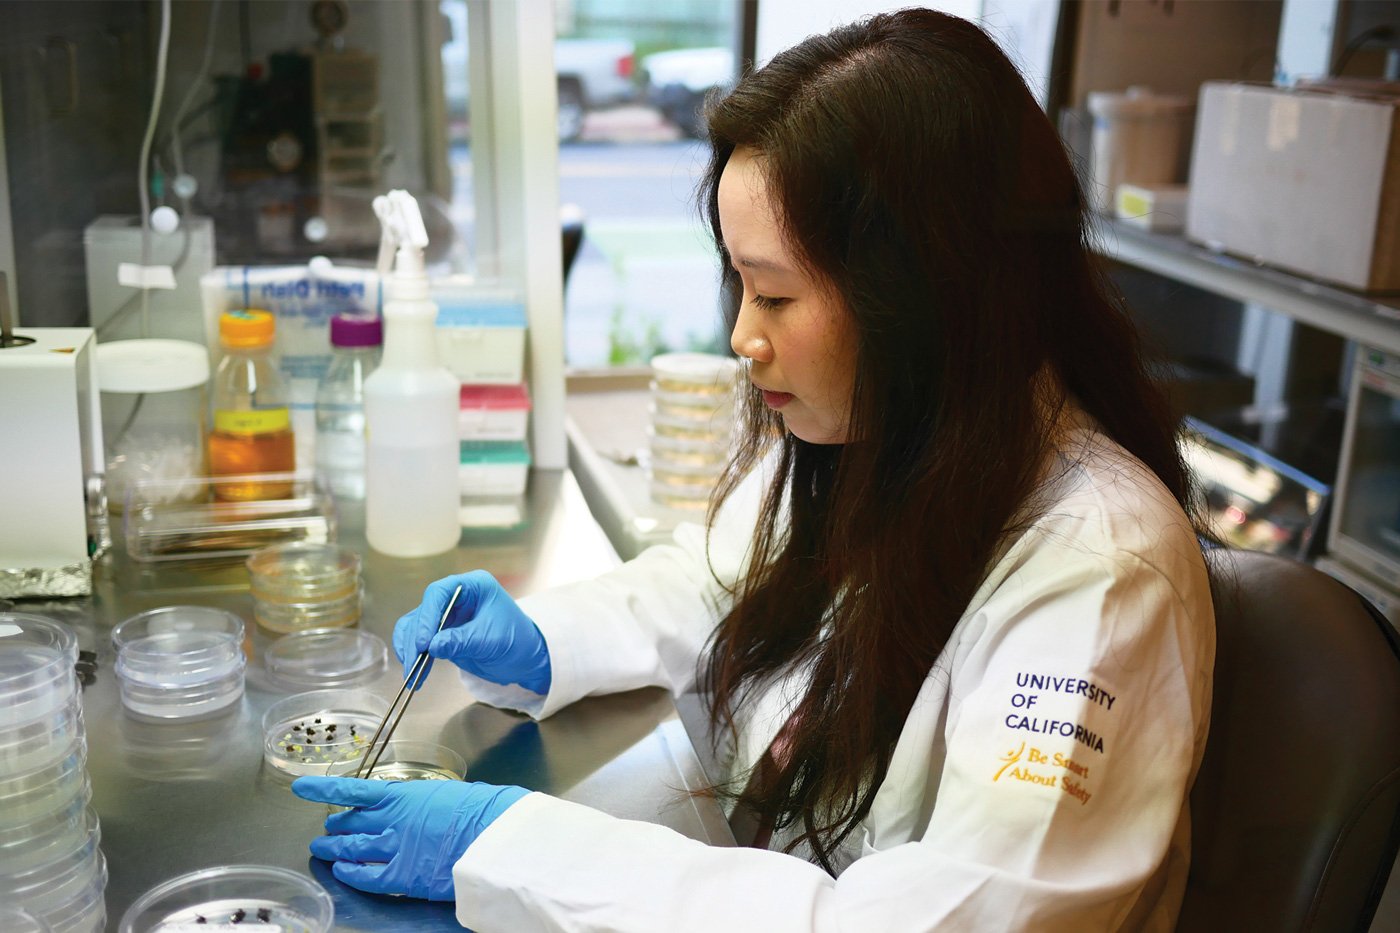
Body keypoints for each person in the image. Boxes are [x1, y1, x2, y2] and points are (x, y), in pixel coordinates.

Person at [291, 8, 1217, 930]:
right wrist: (547, 640)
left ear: (927, 297)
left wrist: (517, 847)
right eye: (740, 285)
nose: (743, 337)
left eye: (774, 293)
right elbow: (725, 581)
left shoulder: (1099, 578)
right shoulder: (893, 430)